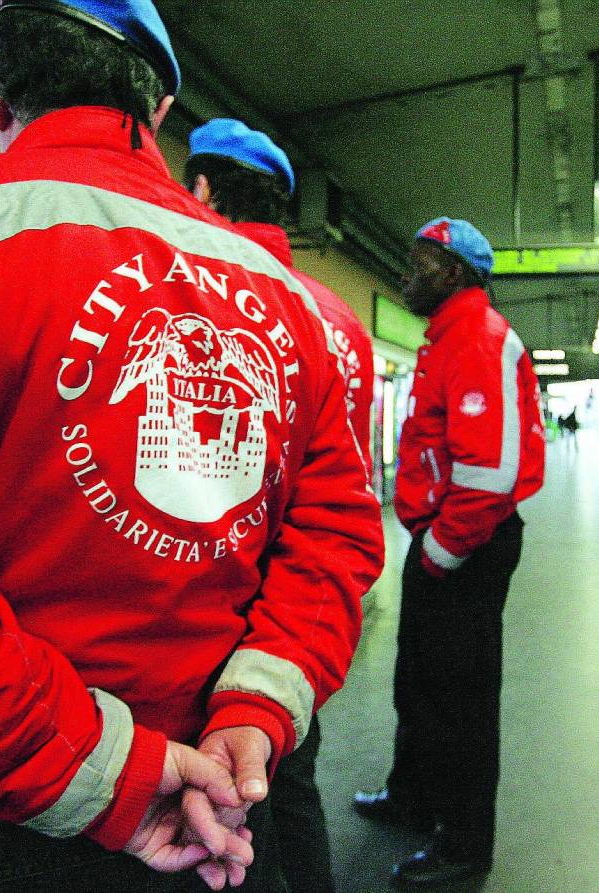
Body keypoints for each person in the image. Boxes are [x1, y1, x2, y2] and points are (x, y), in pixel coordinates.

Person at [0, 3, 384, 891]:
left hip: (9, 815)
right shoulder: (290, 302)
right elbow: (334, 541)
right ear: (158, 112)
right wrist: (255, 711)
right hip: (231, 798)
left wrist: (116, 781)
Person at [184, 117, 376, 893]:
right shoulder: (339, 320)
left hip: (212, 615)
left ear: (201, 187)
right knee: (292, 783)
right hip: (299, 622)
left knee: (215, 817)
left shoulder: (196, 286)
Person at [353, 218, 545, 888]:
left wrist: (438, 550)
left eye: (420, 262)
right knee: (419, 681)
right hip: (444, 540)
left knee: (460, 699)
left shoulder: (480, 339)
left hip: (468, 544)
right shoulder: (447, 338)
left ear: (455, 273)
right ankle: (414, 798)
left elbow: (490, 472)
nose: (407, 273)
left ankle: (465, 839)